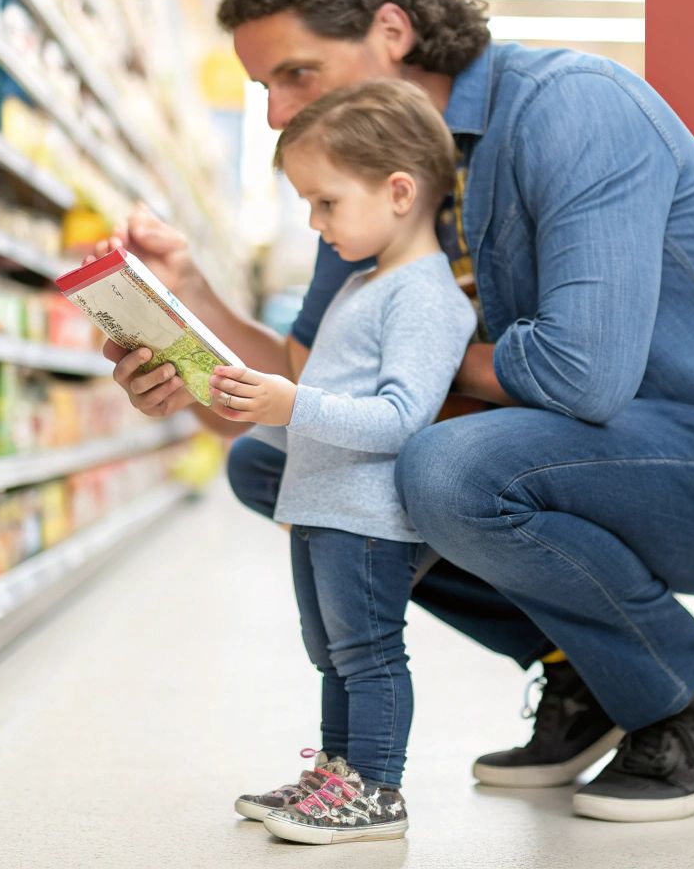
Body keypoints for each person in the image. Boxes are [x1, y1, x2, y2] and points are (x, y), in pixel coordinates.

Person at [99, 0, 694, 823]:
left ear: (392, 32)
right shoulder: (369, 168)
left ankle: (687, 685)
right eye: (265, 87)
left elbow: (582, 377)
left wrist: (400, 370)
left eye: (295, 74)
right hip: (585, 461)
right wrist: (185, 314)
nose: (277, 112)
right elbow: (311, 389)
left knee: (450, 469)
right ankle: (578, 669)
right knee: (276, 466)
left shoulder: (572, 108)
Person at [207, 81, 473, 843]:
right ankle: (338, 776)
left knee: (369, 653)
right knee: (331, 654)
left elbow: (400, 418)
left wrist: (290, 404)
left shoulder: (426, 297)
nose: (316, 223)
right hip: (323, 506)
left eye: (326, 203)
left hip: (368, 514)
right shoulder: (365, 284)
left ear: (398, 191)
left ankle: (378, 792)